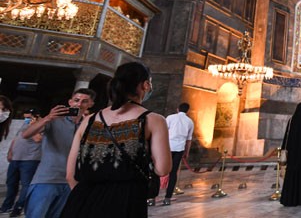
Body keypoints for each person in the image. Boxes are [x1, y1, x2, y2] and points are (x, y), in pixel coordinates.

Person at [59, 62, 171, 218]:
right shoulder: (153, 120)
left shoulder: (89, 120)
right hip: (126, 202)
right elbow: (163, 169)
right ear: (145, 85)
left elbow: (70, 175)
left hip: (81, 200)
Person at [22, 88, 95, 218]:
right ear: (70, 102)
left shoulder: (89, 126)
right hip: (47, 178)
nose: (79, 104)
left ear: (90, 104)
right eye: (76, 100)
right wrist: (47, 118)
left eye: (84, 101)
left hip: (71, 181)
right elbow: (26, 134)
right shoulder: (55, 120)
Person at [1, 109, 42, 217]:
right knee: (11, 183)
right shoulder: (24, 125)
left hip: (30, 160)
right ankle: (6, 207)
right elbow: (16, 139)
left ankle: (18, 208)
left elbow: (38, 139)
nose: (26, 120)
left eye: (28, 117)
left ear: (37, 117)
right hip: (16, 159)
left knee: (26, 185)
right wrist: (10, 152)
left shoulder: (42, 126)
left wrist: (32, 126)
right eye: (25, 118)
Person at [153, 102, 194, 206]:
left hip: (167, 147)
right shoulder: (190, 122)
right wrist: (187, 152)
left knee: (158, 170)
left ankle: (152, 197)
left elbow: (162, 132)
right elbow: (189, 140)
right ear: (187, 111)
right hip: (180, 149)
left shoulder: (170, 118)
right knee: (173, 172)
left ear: (177, 109)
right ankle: (168, 198)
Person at [280, 102, 301, 207]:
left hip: (293, 153)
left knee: (292, 175)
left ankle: (290, 198)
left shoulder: (292, 120)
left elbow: (287, 137)